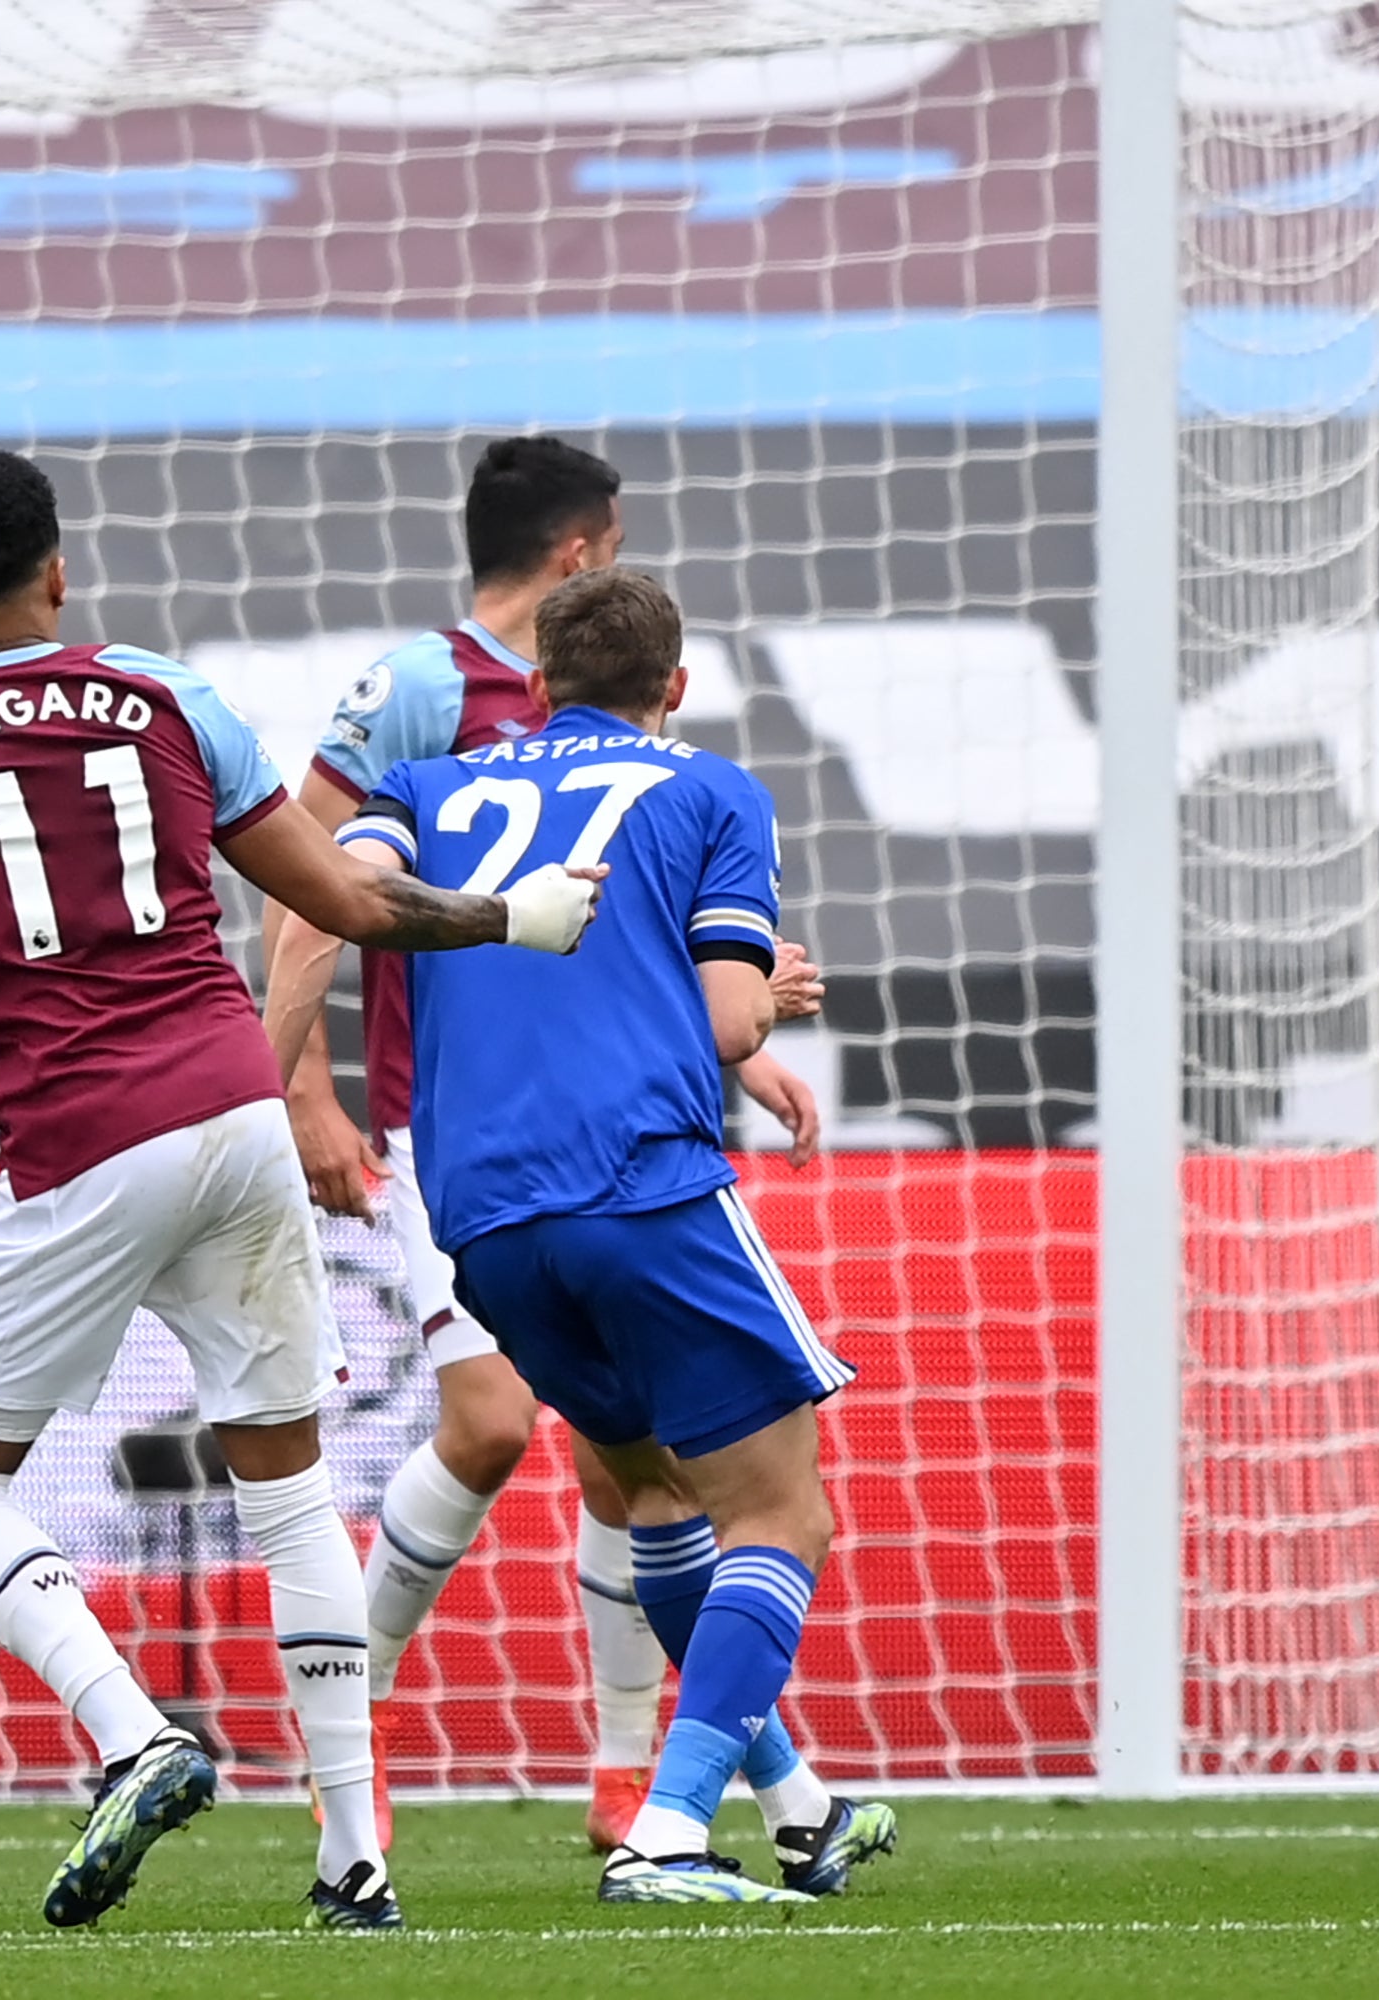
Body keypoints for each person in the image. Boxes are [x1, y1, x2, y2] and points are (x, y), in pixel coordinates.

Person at [0, 448, 598, 1932]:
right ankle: (355, 1863)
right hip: (235, 1110)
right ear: (62, 572)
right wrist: (510, 919)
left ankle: (132, 1734)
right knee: (292, 1492)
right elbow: (340, 896)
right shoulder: (168, 694)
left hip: (81, 1146)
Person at [259, 434, 833, 1853]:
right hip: (472, 1129)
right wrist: (299, 1096)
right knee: (510, 1427)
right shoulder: (420, 689)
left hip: (496, 1163)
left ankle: (651, 1774)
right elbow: (304, 894)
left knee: (623, 1468)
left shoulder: (483, 772)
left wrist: (734, 1054)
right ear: (589, 551)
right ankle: (368, 1719)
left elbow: (393, 893)